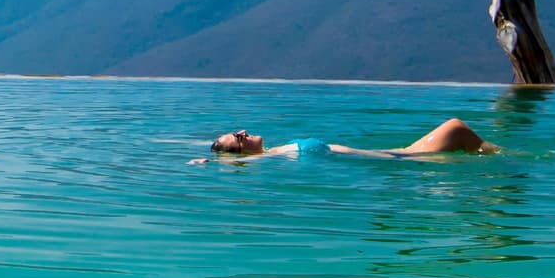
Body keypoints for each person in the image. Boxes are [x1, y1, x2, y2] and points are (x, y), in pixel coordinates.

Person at [196, 118, 495, 162]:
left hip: (394, 154)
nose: (244, 133)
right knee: (456, 127)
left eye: (239, 130)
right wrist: (207, 163)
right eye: (238, 138)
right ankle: (505, 159)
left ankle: (499, 156)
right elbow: (237, 164)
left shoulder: (275, 150)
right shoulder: (268, 158)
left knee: (460, 132)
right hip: (394, 160)